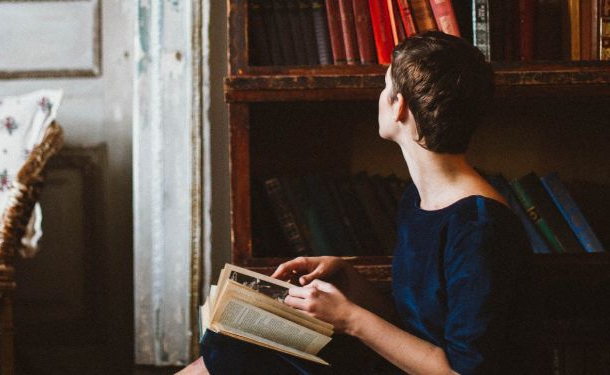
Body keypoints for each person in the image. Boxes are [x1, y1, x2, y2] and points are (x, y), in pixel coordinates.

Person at [180, 31, 530, 375]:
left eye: (385, 86)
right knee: (234, 349)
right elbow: (412, 325)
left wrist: (350, 317)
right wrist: (349, 280)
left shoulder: (481, 227)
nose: (379, 96)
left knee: (234, 361)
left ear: (399, 107)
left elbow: (462, 371)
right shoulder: (418, 200)